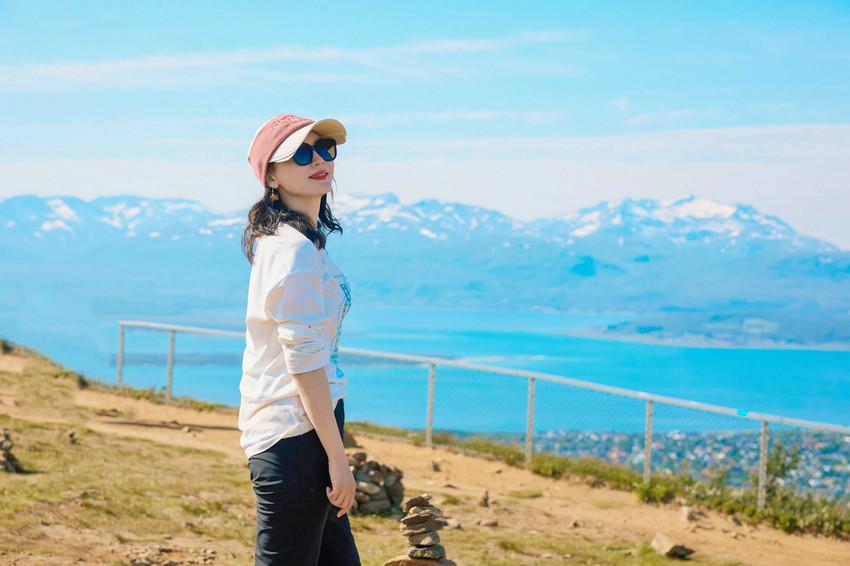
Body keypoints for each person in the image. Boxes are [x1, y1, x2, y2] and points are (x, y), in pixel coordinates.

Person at [239, 113, 360, 565]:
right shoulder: (293, 250)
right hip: (295, 436)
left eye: (326, 148)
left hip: (307, 432)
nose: (320, 160)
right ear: (271, 176)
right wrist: (337, 459)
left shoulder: (300, 244)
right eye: (301, 154)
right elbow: (305, 363)